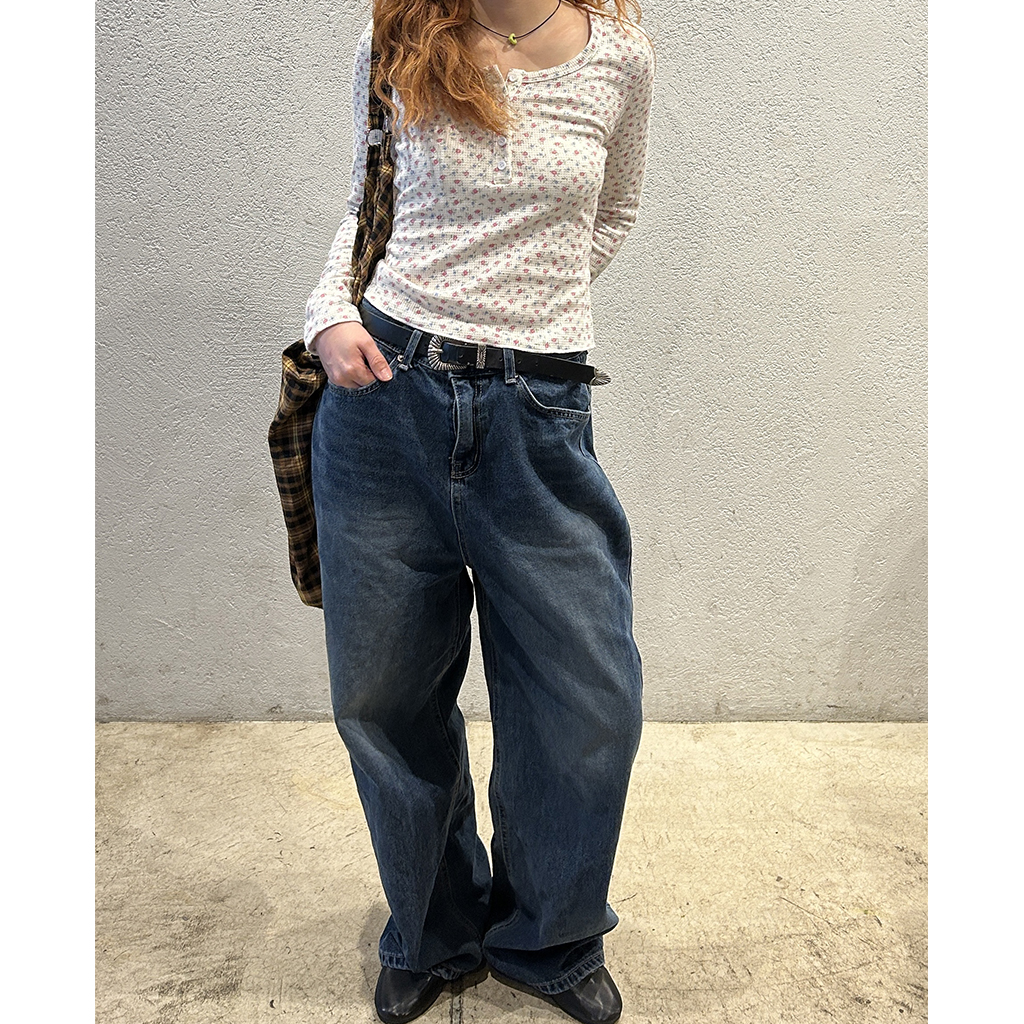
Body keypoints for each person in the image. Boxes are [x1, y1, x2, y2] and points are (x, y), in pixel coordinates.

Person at [304, 2, 654, 1021]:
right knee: (386, 696)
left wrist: (519, 312)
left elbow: (615, 212)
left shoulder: (620, 56)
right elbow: (368, 201)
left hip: (539, 411)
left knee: (586, 703)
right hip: (384, 397)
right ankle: (432, 929)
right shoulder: (399, 34)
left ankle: (549, 937)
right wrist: (328, 312)